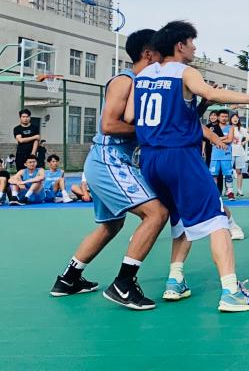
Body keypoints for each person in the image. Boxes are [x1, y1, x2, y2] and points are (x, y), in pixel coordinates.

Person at [128, 20, 249, 312]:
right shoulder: (185, 72)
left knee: (181, 219)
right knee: (218, 219)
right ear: (179, 45)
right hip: (180, 157)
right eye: (191, 42)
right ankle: (232, 292)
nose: (195, 48)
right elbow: (209, 93)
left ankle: (174, 280)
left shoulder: (143, 76)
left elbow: (133, 116)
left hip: (149, 159)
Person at [49, 28, 170, 309]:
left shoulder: (141, 84)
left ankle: (68, 279)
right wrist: (149, 132)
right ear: (148, 54)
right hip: (109, 159)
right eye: (161, 55)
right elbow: (108, 125)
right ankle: (123, 284)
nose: (164, 61)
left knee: (111, 225)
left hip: (108, 161)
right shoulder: (125, 81)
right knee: (156, 213)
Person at [208, 110, 235, 199]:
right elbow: (211, 141)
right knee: (213, 175)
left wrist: (217, 139)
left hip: (226, 155)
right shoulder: (213, 128)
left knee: (228, 175)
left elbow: (230, 140)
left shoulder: (230, 127)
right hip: (215, 156)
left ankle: (230, 192)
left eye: (226, 117)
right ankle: (215, 193)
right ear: (218, 117)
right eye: (222, 116)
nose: (224, 118)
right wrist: (224, 137)